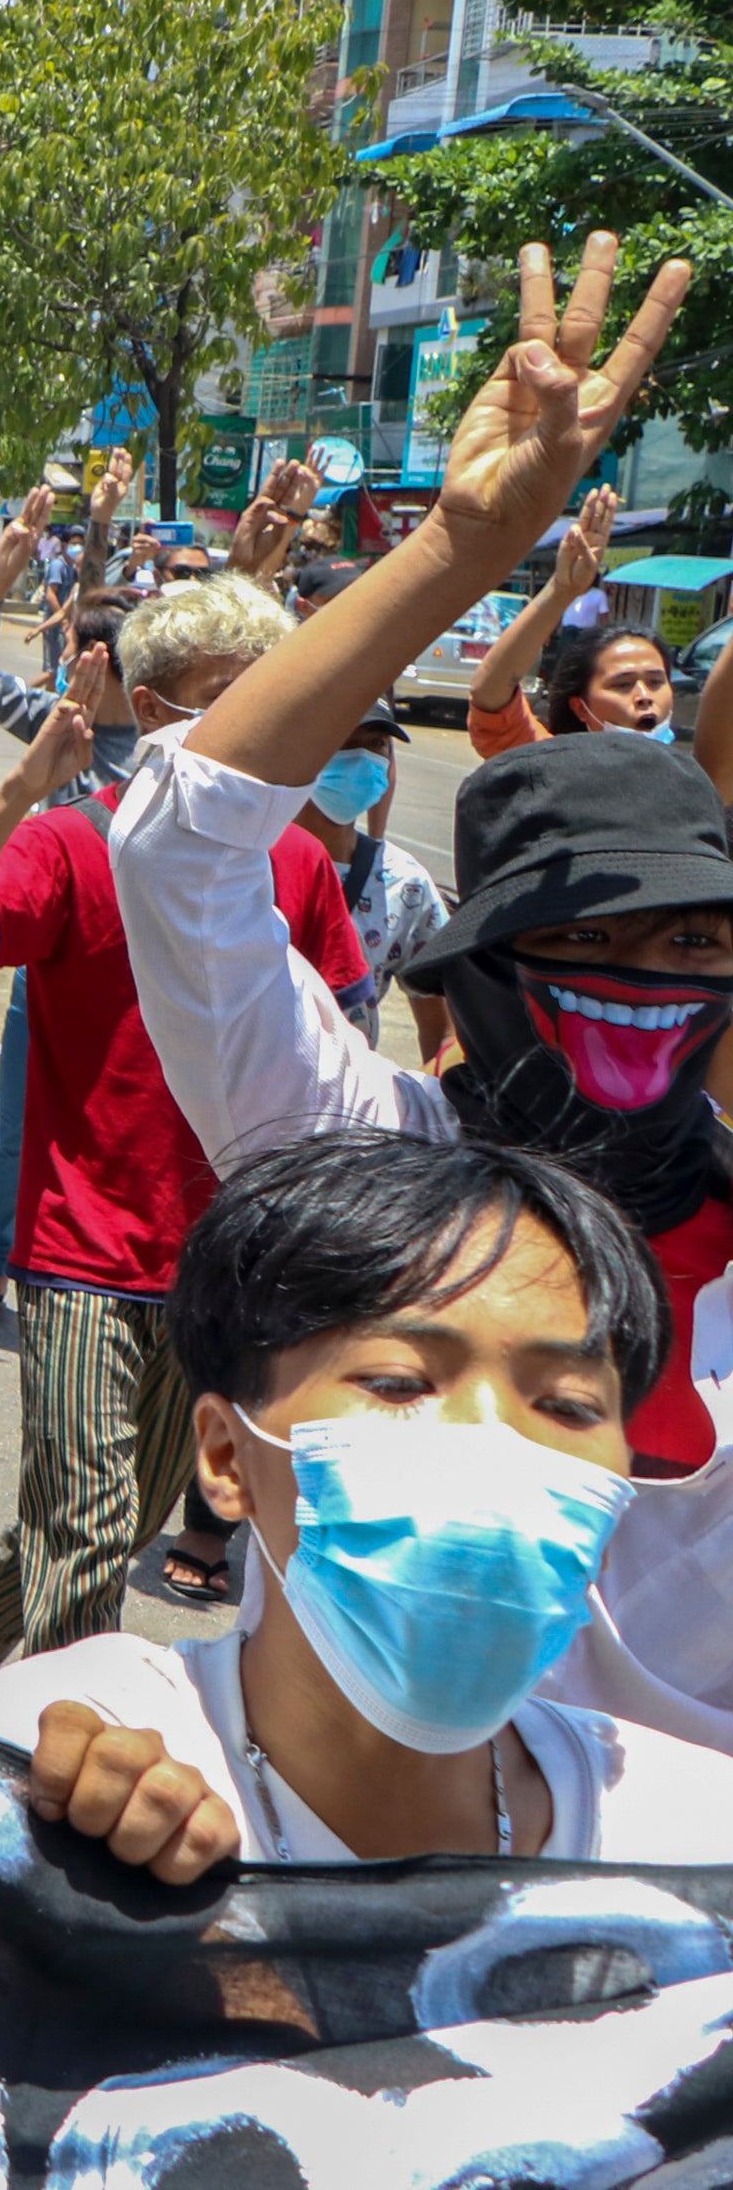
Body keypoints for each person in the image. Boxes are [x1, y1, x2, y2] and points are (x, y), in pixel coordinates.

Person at [109, 233, 733, 1752]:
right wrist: (456, 549)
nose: (641, 987)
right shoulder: (353, 1157)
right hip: (335, 1884)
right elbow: (182, 843)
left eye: (690, 949)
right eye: (588, 945)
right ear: (488, 964)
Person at [0, 1129, 733, 1876]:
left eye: (567, 1405)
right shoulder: (98, 1737)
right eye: (400, 1383)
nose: (493, 1445)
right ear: (226, 1455)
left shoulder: (694, 1844)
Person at [0, 575, 371, 1696]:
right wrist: (17, 793)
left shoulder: (295, 863)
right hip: (80, 1250)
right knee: (93, 1529)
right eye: (232, 696)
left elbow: (344, 1032)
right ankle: (60, 1769)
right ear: (156, 713)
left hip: (225, 1265)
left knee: (102, 1518)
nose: (267, 722)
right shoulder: (70, 843)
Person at [0, 488, 147, 1336]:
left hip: (152, 969)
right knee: (16, 1127)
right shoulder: (50, 725)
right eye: (73, 653)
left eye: (90, 655)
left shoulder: (181, 743)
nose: (76, 667)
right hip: (54, 969)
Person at [467, 488, 674, 757]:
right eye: (623, 684)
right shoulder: (548, 765)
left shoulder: (697, 780)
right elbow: (490, 697)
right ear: (580, 708)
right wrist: (561, 590)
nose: (644, 696)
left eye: (656, 682)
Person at [296, 702, 450, 1061]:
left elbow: (441, 1030)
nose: (363, 759)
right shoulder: (252, 861)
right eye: (342, 742)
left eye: (376, 744)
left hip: (348, 1103)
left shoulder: (405, 882)